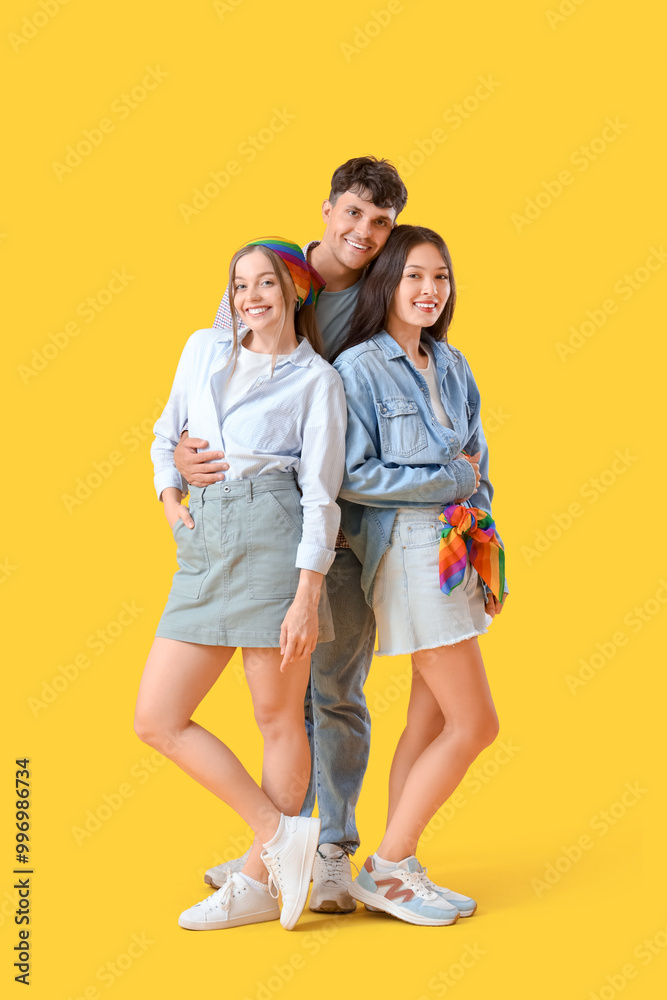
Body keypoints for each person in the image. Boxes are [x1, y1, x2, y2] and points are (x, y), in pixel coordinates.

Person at [172, 157, 408, 912]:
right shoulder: (269, 272)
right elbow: (210, 382)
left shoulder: (377, 301)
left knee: (333, 691)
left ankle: (329, 851)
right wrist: (178, 456)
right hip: (260, 526)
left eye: (379, 224)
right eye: (353, 215)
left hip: (337, 523)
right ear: (327, 210)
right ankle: (277, 848)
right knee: (281, 703)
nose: (364, 233)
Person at [134, 238, 347, 932]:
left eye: (264, 284)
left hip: (270, 533)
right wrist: (173, 508)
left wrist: (305, 598)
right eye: (238, 285)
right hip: (205, 535)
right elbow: (166, 436)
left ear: (294, 292)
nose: (249, 297)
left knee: (277, 718)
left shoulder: (316, 380)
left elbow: (321, 498)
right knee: (157, 718)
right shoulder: (203, 348)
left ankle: (257, 882)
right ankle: (279, 834)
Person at [331, 224, 508, 926]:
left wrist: (485, 561)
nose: (429, 290)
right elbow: (352, 476)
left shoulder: (452, 362)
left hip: (457, 550)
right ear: (387, 284)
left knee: (428, 719)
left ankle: (399, 863)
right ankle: (387, 868)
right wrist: (445, 481)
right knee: (475, 723)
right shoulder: (359, 369)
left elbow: (479, 471)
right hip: (406, 553)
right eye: (414, 277)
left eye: (440, 277)